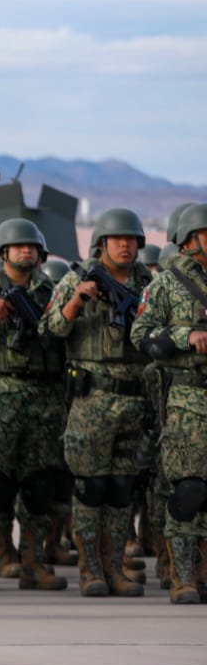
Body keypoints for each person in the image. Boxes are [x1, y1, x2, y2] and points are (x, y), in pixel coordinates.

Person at [45, 207, 152, 597]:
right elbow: (52, 328)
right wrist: (76, 301)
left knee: (122, 488)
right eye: (116, 239)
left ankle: (115, 567)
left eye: (131, 239)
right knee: (91, 488)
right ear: (102, 243)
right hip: (92, 400)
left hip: (133, 400)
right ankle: (90, 569)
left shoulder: (147, 282)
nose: (124, 245)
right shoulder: (79, 278)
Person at [0, 218, 69, 592]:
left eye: (32, 246)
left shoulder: (50, 290)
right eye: (18, 246)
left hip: (43, 398)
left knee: (40, 486)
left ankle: (32, 563)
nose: (26, 251)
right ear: (3, 252)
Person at [132, 202, 207, 603]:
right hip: (187, 399)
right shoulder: (167, 283)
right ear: (191, 239)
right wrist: (185, 337)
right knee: (188, 489)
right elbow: (141, 334)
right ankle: (182, 576)